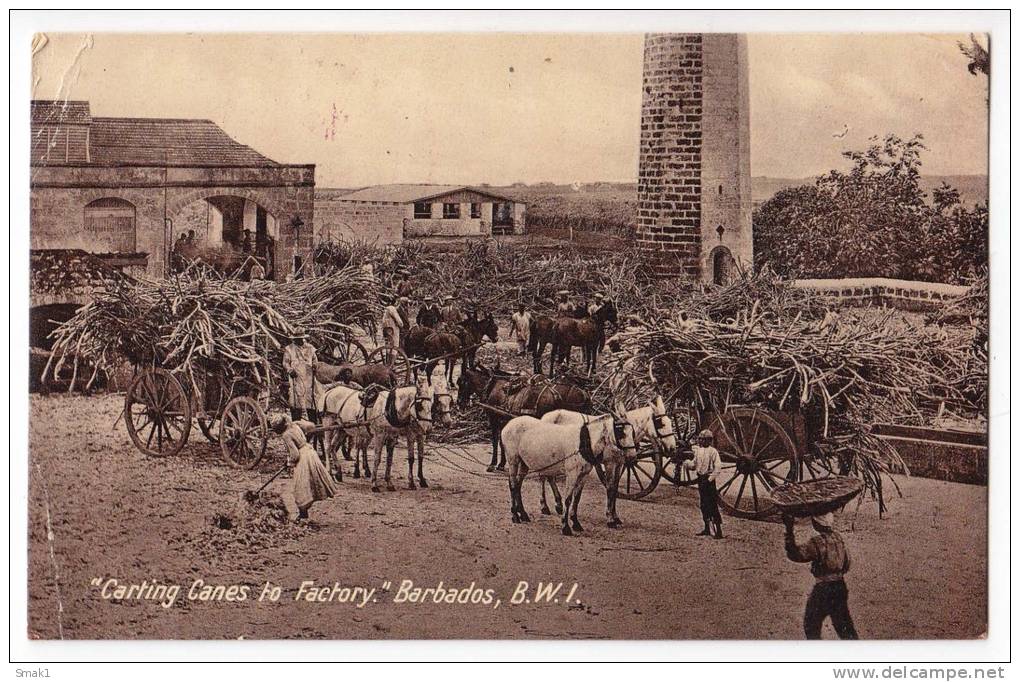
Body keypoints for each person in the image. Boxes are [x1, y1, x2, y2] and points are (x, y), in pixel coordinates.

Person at [784, 512, 859, 640]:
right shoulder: (839, 538)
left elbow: (795, 555)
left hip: (823, 590)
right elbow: (847, 564)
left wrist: (789, 530)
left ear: (817, 523)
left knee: (811, 625)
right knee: (845, 628)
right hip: (840, 587)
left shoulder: (817, 543)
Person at [270, 414, 336, 521]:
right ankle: (304, 512)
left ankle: (303, 514)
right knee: (310, 482)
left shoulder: (286, 435)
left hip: (303, 458)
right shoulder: (294, 425)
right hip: (309, 452)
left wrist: (289, 463)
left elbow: (295, 454)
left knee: (300, 486)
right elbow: (310, 426)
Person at [682, 429, 723, 539]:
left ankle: (718, 531)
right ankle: (707, 528)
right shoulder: (698, 451)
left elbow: (718, 468)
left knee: (712, 505)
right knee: (703, 504)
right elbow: (694, 465)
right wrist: (686, 463)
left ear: (709, 441)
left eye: (704, 440)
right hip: (701, 479)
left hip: (708, 481)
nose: (701, 441)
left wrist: (709, 479)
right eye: (700, 439)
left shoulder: (713, 451)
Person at [282, 330, 319, 423]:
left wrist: (315, 365)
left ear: (303, 338)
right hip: (296, 377)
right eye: (296, 339)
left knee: (310, 399)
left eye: (300, 339)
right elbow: (285, 362)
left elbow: (315, 360)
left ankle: (313, 422)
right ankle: (296, 421)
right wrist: (290, 370)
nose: (298, 341)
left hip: (309, 377)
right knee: (296, 399)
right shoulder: (289, 349)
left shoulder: (310, 348)